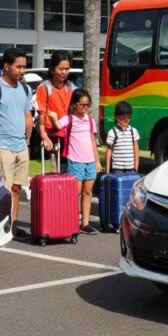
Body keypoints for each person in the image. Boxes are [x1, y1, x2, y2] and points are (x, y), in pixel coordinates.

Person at [0, 47, 33, 238]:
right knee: (3, 190)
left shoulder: (25, 88)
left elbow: (27, 114)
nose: (22, 71)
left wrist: (28, 137)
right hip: (3, 147)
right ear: (6, 66)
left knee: (17, 188)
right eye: (18, 67)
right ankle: (0, 228)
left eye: (24, 67)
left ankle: (13, 226)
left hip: (21, 146)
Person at [59, 88, 102, 235]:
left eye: (87, 105)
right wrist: (50, 116)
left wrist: (97, 161)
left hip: (89, 161)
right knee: (75, 193)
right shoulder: (69, 119)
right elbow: (57, 125)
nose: (85, 108)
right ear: (75, 104)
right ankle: (71, 221)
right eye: (82, 105)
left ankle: (85, 223)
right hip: (75, 160)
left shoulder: (90, 121)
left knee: (87, 192)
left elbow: (92, 141)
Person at [36, 50, 75, 172]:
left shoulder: (71, 88)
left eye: (67, 69)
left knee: (70, 173)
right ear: (52, 69)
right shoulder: (44, 88)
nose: (64, 72)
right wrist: (44, 136)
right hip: (52, 138)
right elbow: (41, 114)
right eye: (60, 68)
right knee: (56, 172)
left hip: (69, 137)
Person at [105, 101, 140, 173]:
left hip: (131, 168)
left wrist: (136, 167)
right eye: (123, 117)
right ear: (116, 117)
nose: (126, 120)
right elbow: (109, 151)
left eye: (128, 117)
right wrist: (108, 170)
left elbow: (136, 149)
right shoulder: (112, 133)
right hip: (117, 169)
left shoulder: (133, 131)